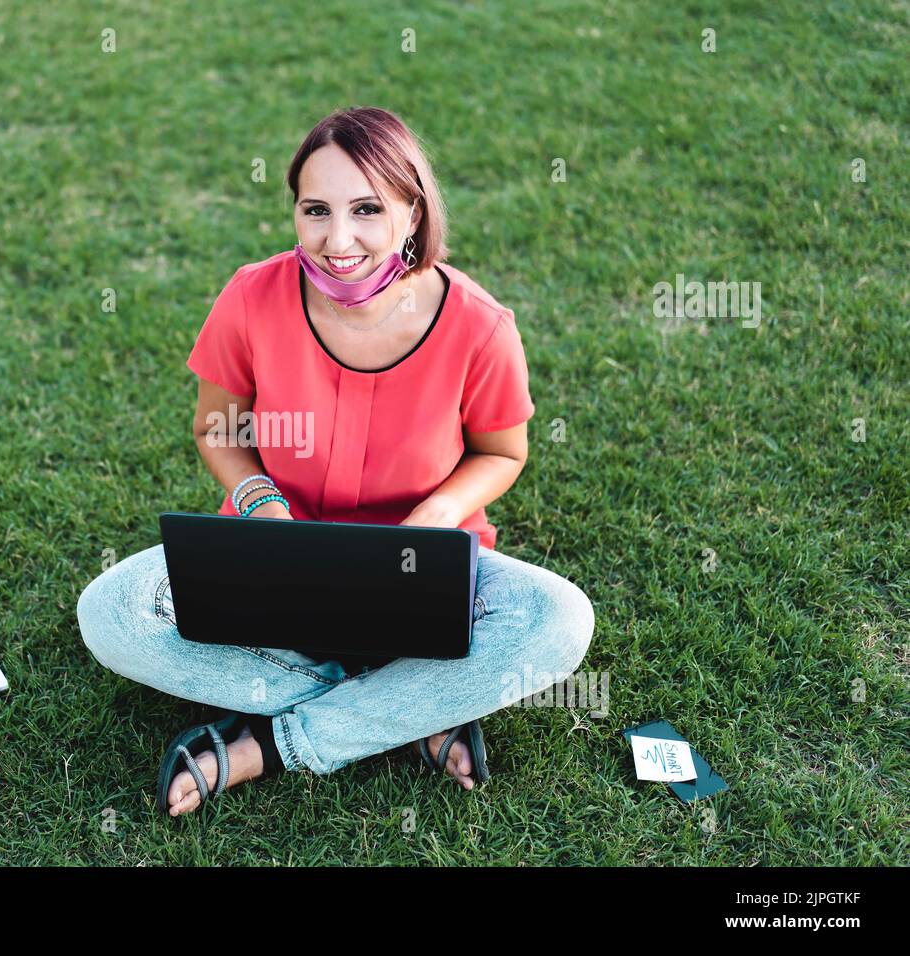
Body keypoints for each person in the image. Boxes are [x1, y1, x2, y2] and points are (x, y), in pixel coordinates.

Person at [77, 106, 594, 817]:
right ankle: (409, 709)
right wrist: (262, 505)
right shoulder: (252, 295)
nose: (337, 240)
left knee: (557, 620)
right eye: (315, 210)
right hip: (272, 558)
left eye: (367, 210)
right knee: (113, 613)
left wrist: (438, 515)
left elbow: (503, 451)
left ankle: (266, 741)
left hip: (423, 566)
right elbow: (218, 428)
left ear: (412, 214)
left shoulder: (479, 325)